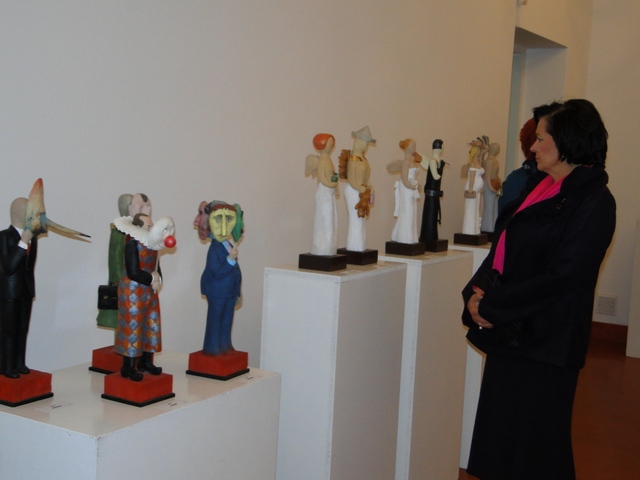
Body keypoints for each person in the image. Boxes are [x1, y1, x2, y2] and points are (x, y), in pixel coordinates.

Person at [462, 99, 616, 479]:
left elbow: (563, 276)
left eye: (542, 138)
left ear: (568, 142)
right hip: (511, 334)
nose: (532, 147)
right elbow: (503, 248)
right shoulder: (539, 188)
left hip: (547, 342)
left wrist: (494, 306)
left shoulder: (595, 201)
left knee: (537, 452)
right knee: (502, 446)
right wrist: (475, 295)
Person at [115, 213, 168, 381]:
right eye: (148, 226)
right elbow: (133, 271)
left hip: (149, 292)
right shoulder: (132, 244)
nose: (151, 229)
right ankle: (128, 366)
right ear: (137, 227)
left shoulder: (153, 245)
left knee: (151, 324)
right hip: (132, 292)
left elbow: (156, 267)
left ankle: (146, 361)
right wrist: (152, 278)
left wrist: (158, 279)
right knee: (133, 327)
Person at [199, 201, 243, 356]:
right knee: (215, 320)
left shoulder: (227, 243)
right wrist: (230, 259)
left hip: (229, 290)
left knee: (227, 320)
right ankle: (212, 346)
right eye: (218, 220)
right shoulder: (214, 249)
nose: (224, 227)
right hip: (217, 291)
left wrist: (237, 289)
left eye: (228, 219)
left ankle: (225, 344)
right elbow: (216, 272)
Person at [0, 198, 37, 378]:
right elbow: (8, 267)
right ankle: (7, 366)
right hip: (9, 293)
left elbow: (29, 267)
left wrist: (28, 239)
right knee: (8, 331)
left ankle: (19, 362)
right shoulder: (4, 237)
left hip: (25, 291)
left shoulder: (33, 238)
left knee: (22, 329)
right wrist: (23, 243)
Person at [341, 126, 375, 252]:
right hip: (353, 191)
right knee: (356, 218)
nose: (366, 146)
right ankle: (354, 245)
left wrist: (369, 186)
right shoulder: (353, 159)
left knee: (361, 219)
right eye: (365, 143)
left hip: (362, 191)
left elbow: (365, 178)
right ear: (359, 142)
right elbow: (351, 178)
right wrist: (358, 187)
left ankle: (360, 245)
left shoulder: (363, 159)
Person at [305, 133, 339, 255]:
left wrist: (335, 184)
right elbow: (323, 178)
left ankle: (329, 247)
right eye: (329, 143)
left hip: (329, 192)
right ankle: (322, 248)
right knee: (325, 220)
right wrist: (332, 184)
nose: (331, 145)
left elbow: (331, 175)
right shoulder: (323, 161)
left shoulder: (328, 160)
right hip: (324, 192)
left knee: (331, 220)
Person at [388, 138, 421, 244]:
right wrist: (413, 186)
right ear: (407, 147)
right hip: (406, 190)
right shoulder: (406, 161)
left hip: (411, 189)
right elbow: (404, 180)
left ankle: (410, 237)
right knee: (407, 212)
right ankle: (404, 237)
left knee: (412, 213)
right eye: (412, 146)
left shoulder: (412, 160)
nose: (414, 148)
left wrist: (415, 186)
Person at [419, 139, 445, 243]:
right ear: (440, 149)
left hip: (434, 194)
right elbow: (436, 176)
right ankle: (428, 235)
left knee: (433, 216)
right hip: (431, 195)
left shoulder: (435, 161)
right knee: (430, 215)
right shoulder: (433, 161)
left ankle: (431, 235)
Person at [461, 138, 486, 235]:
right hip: (473, 188)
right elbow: (471, 177)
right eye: (480, 150)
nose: (481, 152)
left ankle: (475, 229)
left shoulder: (478, 163)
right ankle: (469, 230)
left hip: (477, 189)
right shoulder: (472, 163)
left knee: (476, 208)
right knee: (471, 209)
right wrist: (471, 188)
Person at [480, 142, 502, 233]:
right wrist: (491, 187)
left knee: (494, 206)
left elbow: (495, 174)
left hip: (494, 186)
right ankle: (487, 227)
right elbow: (487, 176)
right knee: (489, 206)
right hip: (489, 185)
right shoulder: (489, 161)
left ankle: (493, 227)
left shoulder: (495, 160)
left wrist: (499, 185)